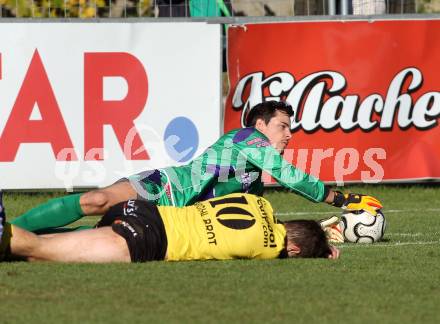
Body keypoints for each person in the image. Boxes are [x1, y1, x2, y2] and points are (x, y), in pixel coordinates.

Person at [11, 100, 382, 234]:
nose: (289, 135)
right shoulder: (246, 139)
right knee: (96, 201)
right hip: (165, 187)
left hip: (180, 221)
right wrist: (341, 199)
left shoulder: (252, 178)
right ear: (261, 126)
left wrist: (315, 232)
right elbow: (291, 175)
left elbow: (252, 212)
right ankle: (9, 231)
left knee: (99, 235)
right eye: (283, 127)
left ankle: (19, 244)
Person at [0, 192, 339, 263]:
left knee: (51, 248)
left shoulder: (260, 203)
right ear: (293, 249)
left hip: (144, 211)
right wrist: (324, 251)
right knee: (38, 251)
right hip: (146, 241)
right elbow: (281, 246)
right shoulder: (268, 251)